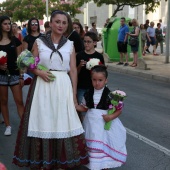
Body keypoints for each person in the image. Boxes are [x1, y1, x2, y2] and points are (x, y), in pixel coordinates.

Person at [13, 10, 89, 169]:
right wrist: (39, 72)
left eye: (64, 22)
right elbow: (30, 63)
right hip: (42, 86)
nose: (61, 25)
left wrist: (74, 95)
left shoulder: (70, 44)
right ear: (51, 23)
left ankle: (60, 161)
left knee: (62, 122)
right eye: (58, 22)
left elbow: (73, 71)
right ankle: (43, 162)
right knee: (43, 121)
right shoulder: (39, 42)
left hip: (62, 85)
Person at [76, 65, 127, 169]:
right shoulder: (88, 93)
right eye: (94, 80)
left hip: (104, 126)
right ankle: (94, 166)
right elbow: (85, 108)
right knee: (93, 147)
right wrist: (74, 107)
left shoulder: (111, 95)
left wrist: (110, 116)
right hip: (91, 125)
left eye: (100, 80)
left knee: (103, 145)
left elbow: (119, 110)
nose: (97, 83)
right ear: (91, 80)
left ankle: (105, 165)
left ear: (106, 80)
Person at [0, 16, 24, 136]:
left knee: (19, 101)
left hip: (14, 74)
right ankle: (8, 125)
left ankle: (24, 125)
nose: (8, 26)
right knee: (3, 101)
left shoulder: (15, 40)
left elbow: (20, 60)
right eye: (5, 24)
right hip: (1, 76)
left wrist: (21, 76)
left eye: (9, 23)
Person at [76, 32, 105, 120]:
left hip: (95, 88)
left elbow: (103, 73)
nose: (86, 44)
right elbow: (74, 73)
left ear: (95, 43)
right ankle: (83, 129)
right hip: (82, 87)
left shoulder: (98, 56)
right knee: (82, 109)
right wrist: (79, 66)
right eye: (84, 41)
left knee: (94, 110)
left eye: (89, 42)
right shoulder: (80, 55)